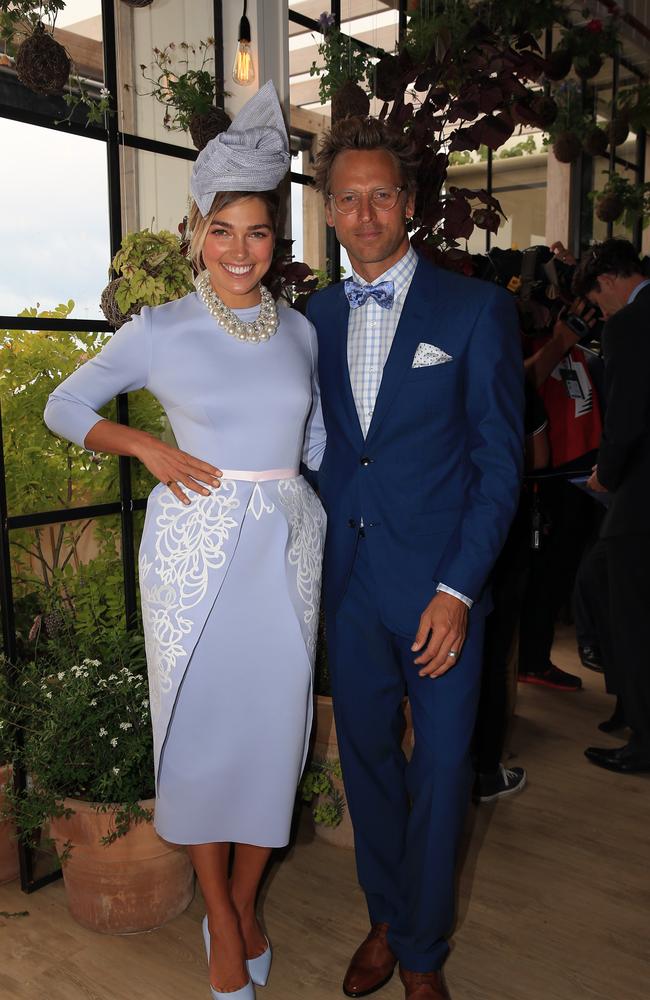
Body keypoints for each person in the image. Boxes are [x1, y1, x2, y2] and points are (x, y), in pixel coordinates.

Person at [44, 82, 326, 1000]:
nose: (240, 250)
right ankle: (217, 905)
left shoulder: (302, 335)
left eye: (259, 233)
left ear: (275, 242)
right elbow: (65, 404)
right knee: (203, 742)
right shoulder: (160, 330)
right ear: (197, 231)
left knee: (276, 740)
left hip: (284, 558)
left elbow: (311, 444)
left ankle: (243, 905)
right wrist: (147, 446)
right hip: (194, 563)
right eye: (223, 230)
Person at [307, 117, 524, 1000]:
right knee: (367, 765)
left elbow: (501, 463)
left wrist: (458, 589)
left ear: (410, 206)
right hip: (347, 590)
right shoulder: (309, 320)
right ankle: (385, 918)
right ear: (327, 211)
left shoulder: (474, 310)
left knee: (439, 772)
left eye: (381, 195)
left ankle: (424, 953)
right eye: (348, 198)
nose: (366, 213)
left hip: (440, 593)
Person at [572, 238, 650, 774]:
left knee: (631, 617)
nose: (601, 316)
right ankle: (627, 707)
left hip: (640, 501)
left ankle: (643, 740)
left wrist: (605, 473)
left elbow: (626, 416)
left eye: (598, 304)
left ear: (607, 282)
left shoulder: (628, 326)